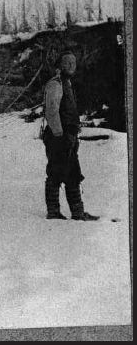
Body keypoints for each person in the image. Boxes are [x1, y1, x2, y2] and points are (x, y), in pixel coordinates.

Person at [43, 51, 99, 221]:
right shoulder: (55, 83)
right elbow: (51, 111)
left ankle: (78, 212)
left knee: (73, 172)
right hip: (58, 136)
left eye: (73, 64)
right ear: (60, 65)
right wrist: (60, 134)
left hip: (69, 136)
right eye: (67, 63)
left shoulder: (67, 83)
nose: (70, 67)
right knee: (56, 172)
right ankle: (53, 212)